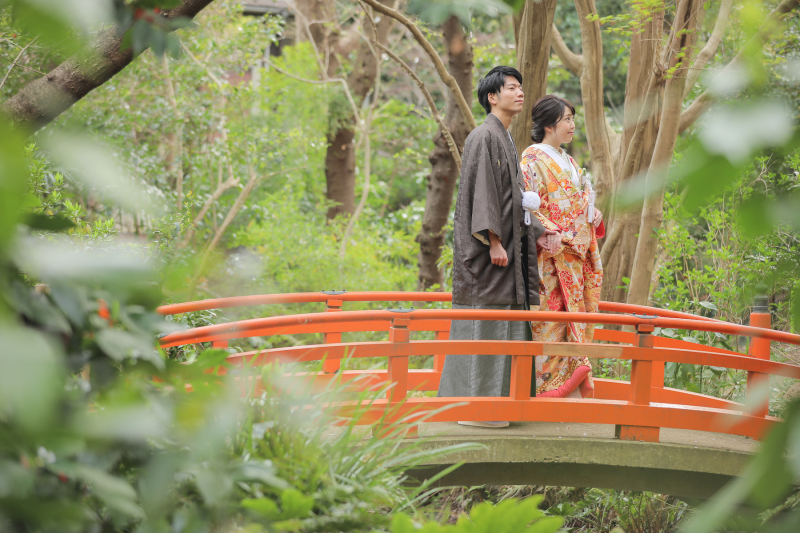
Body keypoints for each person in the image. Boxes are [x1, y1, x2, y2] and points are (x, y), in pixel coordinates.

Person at [437, 66, 554, 427]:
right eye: (512, 88)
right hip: (490, 259)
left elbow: (513, 200)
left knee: (508, 327)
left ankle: (502, 407)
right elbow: (482, 194)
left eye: (521, 88)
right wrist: (494, 241)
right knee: (485, 326)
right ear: (492, 97)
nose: (520, 94)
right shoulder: (482, 137)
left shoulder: (503, 137)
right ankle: (476, 411)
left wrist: (537, 231)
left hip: (505, 256)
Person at [520, 95, 605, 399]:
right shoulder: (531, 159)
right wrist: (550, 231)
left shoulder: (568, 161)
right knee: (551, 316)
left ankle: (575, 376)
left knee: (576, 314)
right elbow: (528, 205)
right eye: (567, 119)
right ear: (547, 124)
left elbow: (583, 200)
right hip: (552, 253)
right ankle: (548, 385)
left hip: (577, 253)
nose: (572, 125)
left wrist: (593, 214)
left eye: (573, 118)